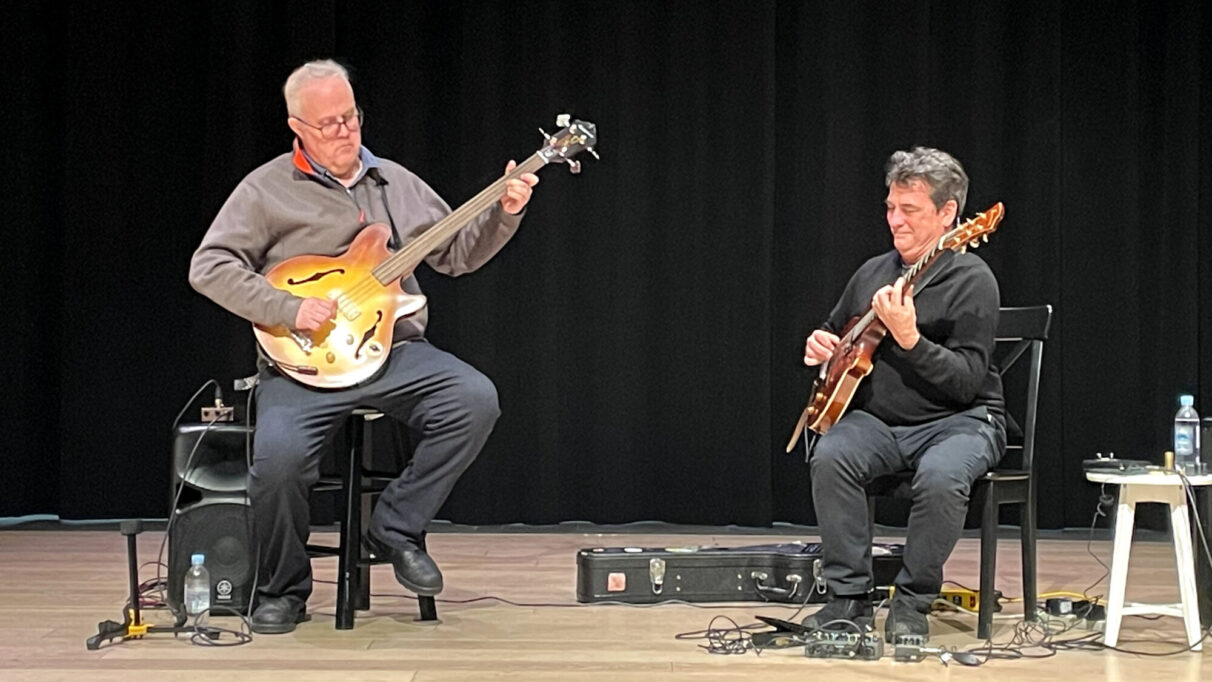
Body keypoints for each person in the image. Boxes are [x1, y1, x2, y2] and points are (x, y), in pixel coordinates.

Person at [189, 59, 539, 634]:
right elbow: (209, 267)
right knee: (276, 463)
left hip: (394, 352)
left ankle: (396, 526)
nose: (345, 131)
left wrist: (506, 213)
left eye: (350, 116)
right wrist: (288, 308)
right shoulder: (267, 187)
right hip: (300, 365)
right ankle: (283, 589)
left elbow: (456, 256)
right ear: (297, 127)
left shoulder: (396, 184)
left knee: (475, 400)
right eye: (328, 123)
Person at [799, 147, 1005, 641]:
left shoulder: (973, 280)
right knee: (831, 455)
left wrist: (910, 339)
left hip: (961, 421)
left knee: (941, 476)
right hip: (881, 423)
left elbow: (966, 383)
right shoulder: (872, 272)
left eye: (908, 210)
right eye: (891, 207)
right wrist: (821, 345)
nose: (894, 220)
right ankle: (847, 598)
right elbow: (834, 329)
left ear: (948, 214)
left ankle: (912, 603)